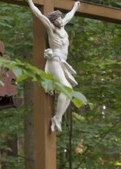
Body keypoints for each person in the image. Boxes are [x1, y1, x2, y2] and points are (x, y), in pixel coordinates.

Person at [27, 0, 81, 133]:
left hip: (63, 63)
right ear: (53, 22)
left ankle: (58, 118)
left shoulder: (63, 27)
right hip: (55, 62)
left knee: (69, 92)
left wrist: (74, 7)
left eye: (61, 19)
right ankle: (57, 119)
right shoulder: (51, 29)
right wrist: (30, 2)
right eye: (57, 21)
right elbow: (39, 15)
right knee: (67, 88)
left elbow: (69, 16)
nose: (61, 22)